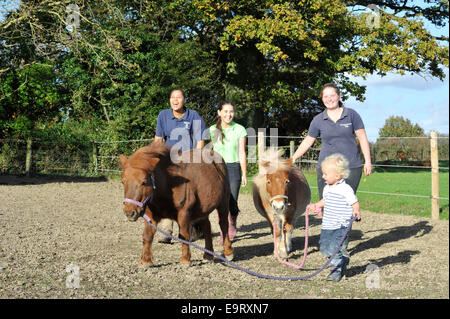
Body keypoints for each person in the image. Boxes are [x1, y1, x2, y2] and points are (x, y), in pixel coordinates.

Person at [292, 83, 372, 210]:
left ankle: (344, 230)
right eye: (325, 96)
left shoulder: (351, 115)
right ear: (322, 99)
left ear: (339, 96)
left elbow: (362, 138)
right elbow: (308, 140)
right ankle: (329, 230)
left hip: (351, 167)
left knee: (346, 204)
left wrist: (368, 161)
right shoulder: (318, 120)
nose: (329, 99)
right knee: (327, 205)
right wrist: (293, 158)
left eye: (332, 95)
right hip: (326, 169)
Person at [154, 88, 206, 243]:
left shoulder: (193, 116)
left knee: (189, 196)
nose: (175, 100)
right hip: (169, 161)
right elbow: (158, 139)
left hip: (188, 162)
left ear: (184, 100)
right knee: (167, 193)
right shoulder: (163, 115)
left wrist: (197, 160)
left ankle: (190, 229)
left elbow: (200, 140)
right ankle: (166, 230)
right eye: (172, 97)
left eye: (178, 97)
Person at [308, 153, 361, 282]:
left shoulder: (345, 189)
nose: (323, 176)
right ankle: (342, 260)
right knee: (324, 247)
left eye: (326, 174)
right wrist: (316, 205)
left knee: (333, 248)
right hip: (328, 224)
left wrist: (356, 211)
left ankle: (336, 269)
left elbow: (355, 202)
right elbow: (325, 200)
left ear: (337, 176)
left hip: (340, 225)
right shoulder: (327, 188)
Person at [208, 101, 247, 240]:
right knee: (220, 200)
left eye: (231, 111)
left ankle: (232, 222)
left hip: (233, 167)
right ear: (219, 113)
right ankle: (224, 229)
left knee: (232, 201)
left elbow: (242, 152)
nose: (228, 114)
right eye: (225, 111)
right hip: (217, 168)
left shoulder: (240, 129)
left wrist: (244, 174)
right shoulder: (212, 130)